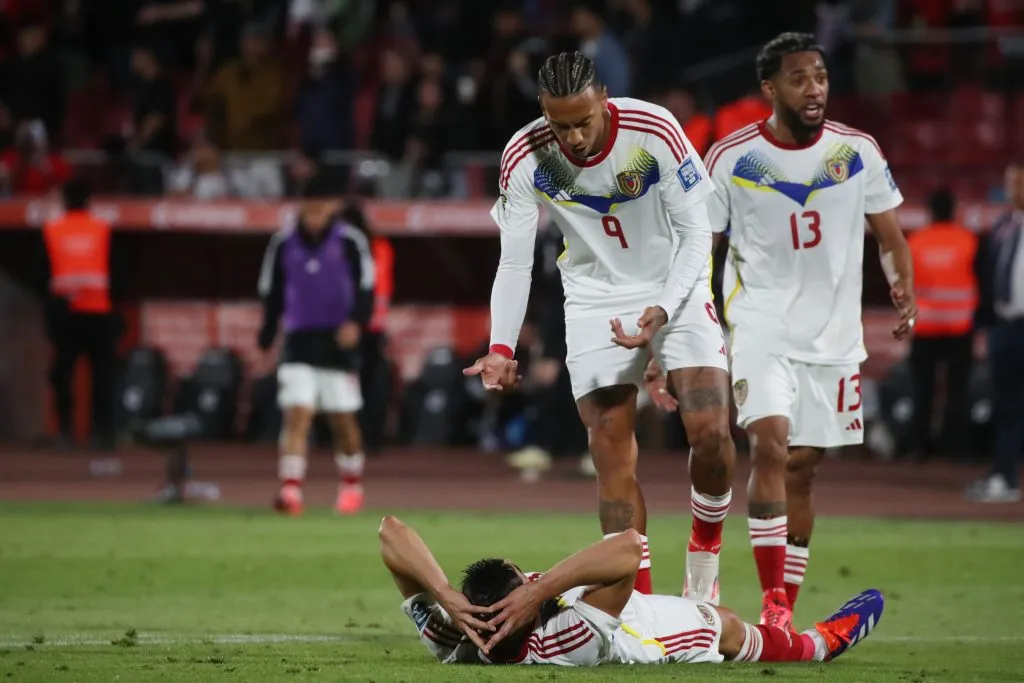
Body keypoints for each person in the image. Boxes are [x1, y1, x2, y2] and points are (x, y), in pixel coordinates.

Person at [464, 51, 736, 601]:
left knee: (710, 432)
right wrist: (501, 347)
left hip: (674, 283)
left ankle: (703, 563)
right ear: (543, 111)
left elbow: (696, 234)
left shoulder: (653, 130)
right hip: (594, 295)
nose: (574, 138)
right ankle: (636, 600)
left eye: (584, 121)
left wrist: (664, 308)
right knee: (609, 446)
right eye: (559, 125)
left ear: (604, 99)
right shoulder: (525, 155)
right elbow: (514, 263)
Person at [697, 32, 917, 630]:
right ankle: (771, 599)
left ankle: (783, 611)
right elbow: (702, 245)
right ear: (770, 89)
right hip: (759, 325)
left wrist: (902, 285)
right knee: (770, 446)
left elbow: (890, 235)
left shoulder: (858, 151)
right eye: (799, 79)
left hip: (833, 338)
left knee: (803, 468)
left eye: (820, 76)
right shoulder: (732, 156)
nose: (814, 88)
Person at [379, 515, 884, 666]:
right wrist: (541, 588)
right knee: (724, 626)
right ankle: (817, 646)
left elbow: (390, 532)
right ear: (522, 611)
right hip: (638, 636)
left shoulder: (455, 636)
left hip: (591, 602)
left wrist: (442, 592)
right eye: (523, 584)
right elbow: (628, 547)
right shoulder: (566, 641)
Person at [257, 184, 376, 515]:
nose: (313, 216)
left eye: (320, 208)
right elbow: (271, 291)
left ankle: (351, 485)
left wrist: (356, 323)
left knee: (342, 420)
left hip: (337, 343)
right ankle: (290, 490)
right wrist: (267, 334)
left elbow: (367, 287)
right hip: (298, 341)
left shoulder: (350, 241)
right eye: (308, 208)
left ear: (332, 207)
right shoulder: (282, 243)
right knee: (297, 414)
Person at [41, 177, 120, 450]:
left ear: (65, 200)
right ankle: (103, 433)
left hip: (65, 313)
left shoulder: (52, 228)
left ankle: (65, 431)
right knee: (103, 376)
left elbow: (42, 274)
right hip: (98, 311)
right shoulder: (102, 227)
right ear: (88, 201)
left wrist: (49, 315)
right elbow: (117, 270)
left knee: (62, 375)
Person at [966, 160, 1024, 503]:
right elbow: (986, 274)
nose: (1014, 189)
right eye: (1011, 182)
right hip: (1006, 326)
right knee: (1006, 404)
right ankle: (1004, 476)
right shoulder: (1004, 228)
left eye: (1019, 182)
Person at [906, 188, 978, 460]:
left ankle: (918, 447)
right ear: (953, 210)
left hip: (924, 327)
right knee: (958, 391)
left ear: (931, 211)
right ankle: (955, 447)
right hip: (959, 327)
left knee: (922, 390)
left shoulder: (916, 241)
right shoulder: (968, 240)